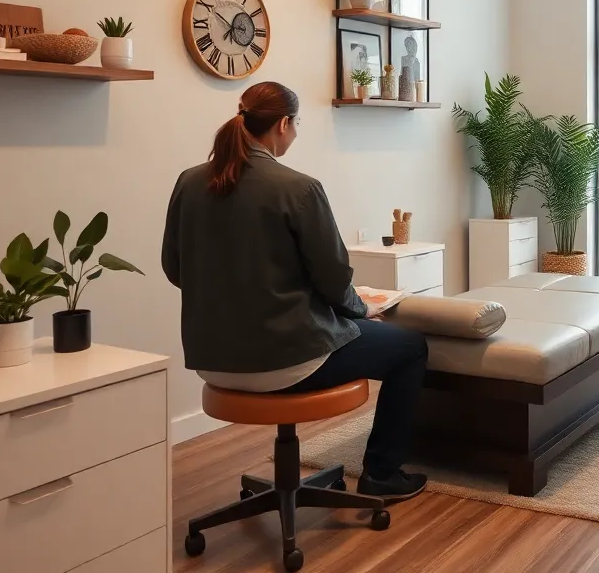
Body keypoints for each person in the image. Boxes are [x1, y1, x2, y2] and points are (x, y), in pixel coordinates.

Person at [161, 81, 428, 501]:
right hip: (287, 361)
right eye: (297, 124)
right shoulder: (298, 187)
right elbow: (334, 278)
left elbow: (174, 269)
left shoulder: (189, 182)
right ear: (283, 124)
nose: (296, 133)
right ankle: (381, 473)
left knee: (389, 341)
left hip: (212, 361)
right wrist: (360, 309)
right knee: (410, 347)